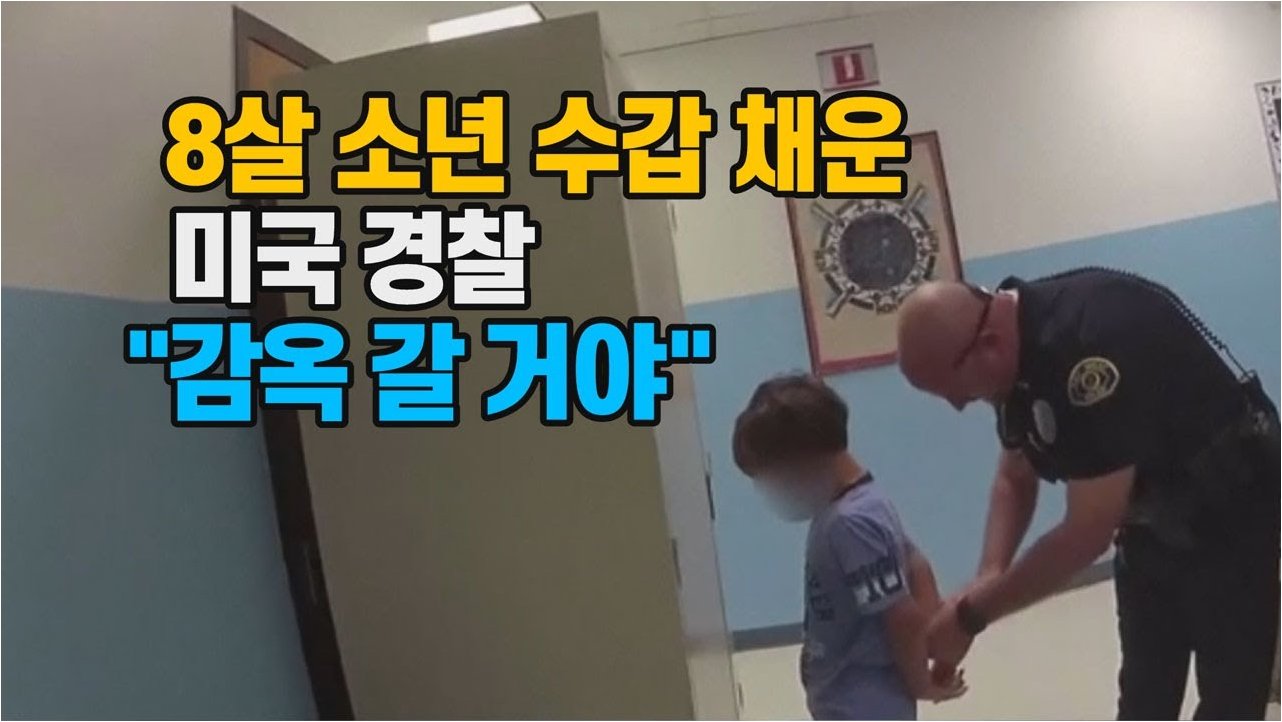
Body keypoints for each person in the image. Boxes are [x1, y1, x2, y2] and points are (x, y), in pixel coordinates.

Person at [895, 267, 1280, 719]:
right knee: (1143, 699)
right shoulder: (1019, 340)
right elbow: (1015, 473)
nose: (959, 406)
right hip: (1150, 531)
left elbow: (1085, 535)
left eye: (956, 392)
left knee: (1230, 702)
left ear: (989, 344)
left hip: (1233, 526)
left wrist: (970, 617)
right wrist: (988, 573)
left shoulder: (1088, 348)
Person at [732, 374, 967, 720]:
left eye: (774, 478)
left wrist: (921, 682)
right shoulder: (863, 503)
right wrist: (934, 642)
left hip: (863, 703)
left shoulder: (850, 523)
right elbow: (916, 564)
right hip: (848, 697)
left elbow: (902, 616)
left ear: (803, 461)